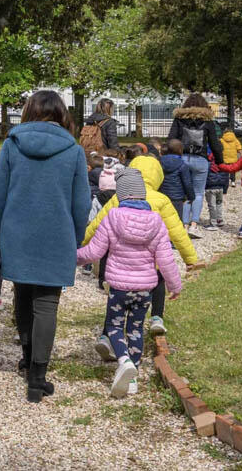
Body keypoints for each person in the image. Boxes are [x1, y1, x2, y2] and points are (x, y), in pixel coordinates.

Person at [0, 90, 91, 403]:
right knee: (47, 303)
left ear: (28, 112)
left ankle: (27, 357)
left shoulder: (11, 146)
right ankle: (37, 376)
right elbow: (81, 203)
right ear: (61, 113)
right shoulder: (73, 151)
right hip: (56, 235)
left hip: (16, 233)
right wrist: (74, 238)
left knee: (23, 295)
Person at [76, 168, 182, 398]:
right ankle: (132, 379)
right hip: (145, 290)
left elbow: (94, 251)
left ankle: (123, 360)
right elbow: (165, 259)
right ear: (142, 194)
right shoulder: (156, 221)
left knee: (114, 326)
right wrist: (174, 286)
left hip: (119, 289)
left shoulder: (112, 217)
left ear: (121, 194)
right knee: (135, 328)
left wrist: (72, 257)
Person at [85, 154, 200, 342]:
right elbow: (177, 232)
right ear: (158, 177)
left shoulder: (119, 197)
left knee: (116, 300)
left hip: (120, 262)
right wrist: (191, 260)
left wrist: (80, 243)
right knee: (159, 281)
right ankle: (156, 318)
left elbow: (97, 224)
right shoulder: (162, 200)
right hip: (150, 263)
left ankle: (107, 336)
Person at [167, 94, 224, 235]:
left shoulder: (179, 119)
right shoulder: (208, 121)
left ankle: (184, 224)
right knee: (198, 193)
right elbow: (215, 144)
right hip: (201, 159)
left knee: (185, 193)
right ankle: (194, 224)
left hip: (183, 159)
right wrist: (220, 161)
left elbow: (170, 139)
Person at [158, 139, 195, 224]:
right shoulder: (182, 165)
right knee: (177, 220)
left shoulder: (159, 162)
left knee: (162, 220)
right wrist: (191, 196)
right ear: (180, 150)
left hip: (161, 195)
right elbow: (187, 183)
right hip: (177, 198)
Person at [205, 151, 230, 229]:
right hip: (220, 188)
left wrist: (204, 187)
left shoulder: (208, 165)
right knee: (219, 204)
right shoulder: (223, 165)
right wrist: (225, 190)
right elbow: (226, 178)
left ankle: (213, 223)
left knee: (212, 206)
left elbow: (204, 177)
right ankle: (220, 219)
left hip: (210, 188)